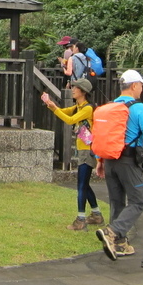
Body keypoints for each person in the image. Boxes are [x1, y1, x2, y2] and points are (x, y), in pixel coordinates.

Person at [93, 69, 143, 259]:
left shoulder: (110, 106)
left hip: (110, 160)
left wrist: (100, 161)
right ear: (134, 85)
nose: (142, 89)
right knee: (139, 199)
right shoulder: (139, 108)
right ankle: (113, 232)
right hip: (128, 160)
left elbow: (105, 136)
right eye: (141, 85)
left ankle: (119, 243)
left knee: (117, 201)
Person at [43, 78, 105, 230]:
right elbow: (65, 112)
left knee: (81, 185)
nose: (72, 89)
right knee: (84, 184)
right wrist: (51, 105)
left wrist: (54, 108)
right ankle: (96, 215)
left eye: (75, 88)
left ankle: (81, 220)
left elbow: (70, 120)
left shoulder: (87, 109)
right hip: (83, 149)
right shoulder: (79, 106)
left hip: (87, 150)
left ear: (83, 91)